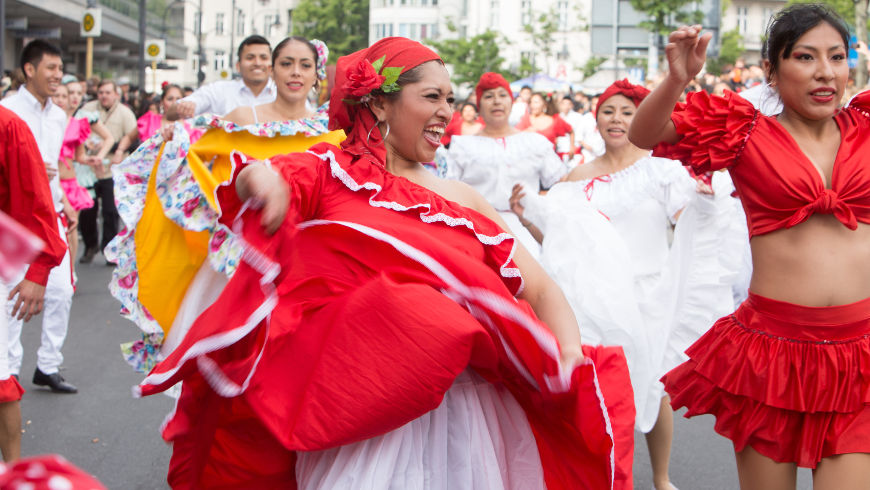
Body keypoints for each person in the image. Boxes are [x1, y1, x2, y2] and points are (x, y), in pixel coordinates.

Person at [135, 37, 628, 489]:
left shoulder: (462, 199)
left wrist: (567, 355)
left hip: (463, 421)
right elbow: (268, 174)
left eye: (450, 99)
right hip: (362, 425)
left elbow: (538, 289)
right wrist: (263, 185)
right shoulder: (331, 173)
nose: (446, 112)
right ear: (379, 102)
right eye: (431, 97)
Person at [629, 6, 870, 488]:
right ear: (772, 70)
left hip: (857, 355)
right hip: (772, 354)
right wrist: (677, 79)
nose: (825, 72)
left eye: (836, 57)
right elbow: (644, 134)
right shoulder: (743, 131)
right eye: (805, 57)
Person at [511, 79, 743, 490]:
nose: (616, 120)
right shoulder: (577, 178)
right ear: (596, 118)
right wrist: (530, 218)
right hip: (595, 299)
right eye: (608, 111)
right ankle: (603, 475)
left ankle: (661, 476)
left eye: (627, 112)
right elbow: (567, 247)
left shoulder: (661, 169)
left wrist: (705, 198)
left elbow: (686, 218)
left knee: (655, 385)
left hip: (650, 293)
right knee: (599, 384)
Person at [107, 37, 341, 374]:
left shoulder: (329, 129)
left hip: (301, 263)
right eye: (286, 63)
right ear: (273, 71)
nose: (296, 72)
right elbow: (201, 146)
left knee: (288, 368)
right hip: (239, 263)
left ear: (316, 74)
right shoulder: (245, 116)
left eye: (305, 65)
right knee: (230, 366)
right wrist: (179, 137)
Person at [1, 40, 78, 394]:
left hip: (50, 214)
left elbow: (56, 165)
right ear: (29, 69)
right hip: (14, 221)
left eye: (60, 69)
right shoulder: (8, 111)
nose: (57, 76)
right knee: (11, 298)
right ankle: (8, 372)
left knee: (61, 290)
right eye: (51, 68)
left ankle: (48, 364)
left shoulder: (58, 115)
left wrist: (64, 199)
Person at [0, 106, 67, 460]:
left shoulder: (9, 127)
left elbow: (38, 202)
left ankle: (11, 474)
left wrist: (38, 273)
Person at [441, 72, 568, 260]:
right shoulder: (462, 146)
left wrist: (539, 207)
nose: (496, 102)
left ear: (511, 102)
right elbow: (448, 194)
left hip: (527, 231)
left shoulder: (534, 142)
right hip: (476, 233)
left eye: (502, 95)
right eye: (489, 96)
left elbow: (562, 183)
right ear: (479, 105)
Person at [51, 81, 114, 279]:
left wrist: (94, 159)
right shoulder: (47, 122)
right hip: (51, 182)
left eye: (70, 95)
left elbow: (78, 156)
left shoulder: (77, 123)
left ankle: (70, 272)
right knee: (53, 229)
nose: (68, 98)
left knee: (71, 228)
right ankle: (54, 271)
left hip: (70, 182)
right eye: (62, 95)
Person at [79, 79, 138, 264]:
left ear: (116, 95)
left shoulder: (125, 113)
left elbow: (134, 139)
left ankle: (109, 249)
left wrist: (116, 148)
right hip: (88, 168)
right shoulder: (88, 109)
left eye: (107, 92)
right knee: (87, 210)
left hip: (112, 169)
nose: (104, 96)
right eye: (101, 93)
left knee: (111, 212)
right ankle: (90, 245)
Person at [166, 35, 274, 120]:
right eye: (250, 58)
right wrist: (184, 107)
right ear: (238, 66)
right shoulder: (219, 91)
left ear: (272, 65)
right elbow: (171, 113)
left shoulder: (282, 93)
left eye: (263, 58)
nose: (257, 63)